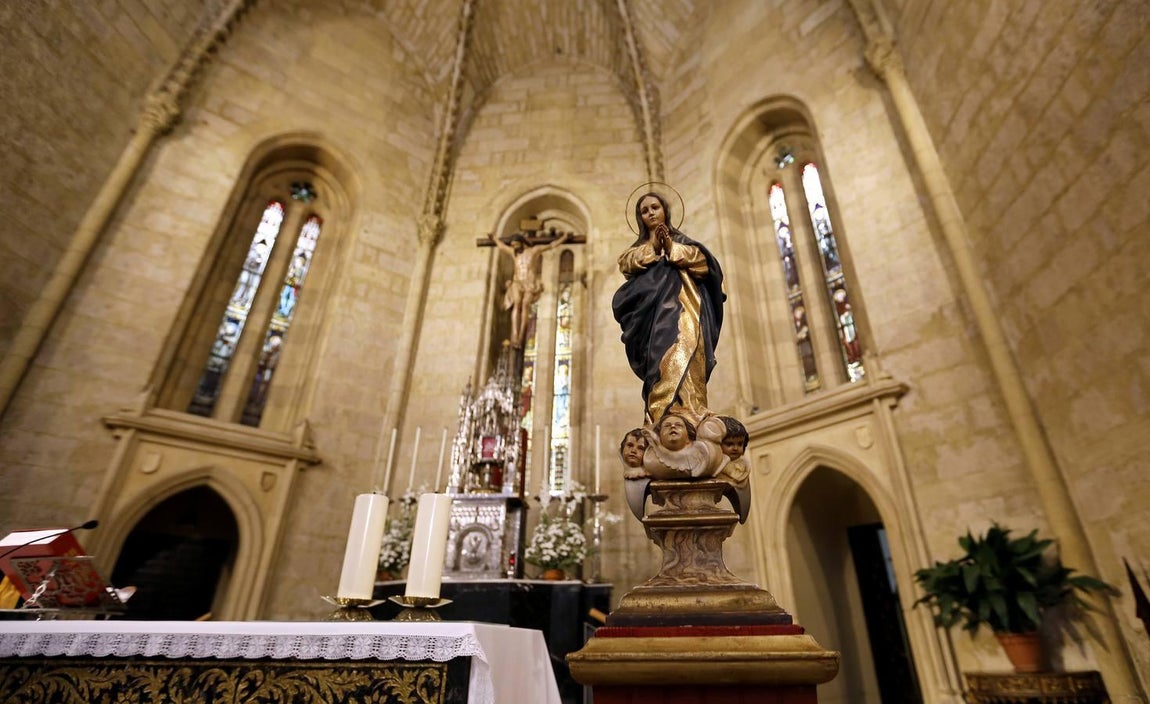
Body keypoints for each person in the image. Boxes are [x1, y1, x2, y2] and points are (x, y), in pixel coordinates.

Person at [612, 192, 725, 426]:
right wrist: (653, 247)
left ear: (665, 211)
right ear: (639, 218)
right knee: (659, 362)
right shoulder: (639, 249)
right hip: (653, 320)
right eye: (645, 211)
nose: (651, 212)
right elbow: (625, 263)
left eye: (655, 207)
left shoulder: (684, 242)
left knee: (688, 353)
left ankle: (693, 410)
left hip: (686, 310)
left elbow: (705, 265)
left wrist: (672, 248)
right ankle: (660, 415)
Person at [491, 230, 571, 348]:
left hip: (530, 284)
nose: (514, 247)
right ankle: (514, 334)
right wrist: (493, 238)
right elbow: (502, 247)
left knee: (525, 305)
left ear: (522, 243)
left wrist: (564, 238)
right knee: (517, 304)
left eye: (516, 245)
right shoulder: (514, 253)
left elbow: (551, 245)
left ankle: (521, 336)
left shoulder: (534, 251)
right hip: (517, 282)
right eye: (512, 246)